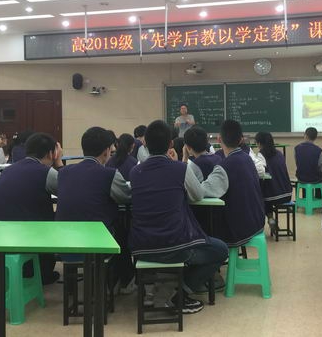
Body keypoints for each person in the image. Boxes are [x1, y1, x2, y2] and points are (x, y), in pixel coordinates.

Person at [128, 120, 228, 314]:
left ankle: (157, 290)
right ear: (171, 144)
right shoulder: (180, 169)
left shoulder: (135, 172)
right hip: (175, 246)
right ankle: (180, 293)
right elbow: (197, 195)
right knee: (220, 250)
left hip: (142, 246)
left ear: (145, 144)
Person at [57, 127, 135, 289]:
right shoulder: (109, 174)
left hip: (65, 242)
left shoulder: (64, 172)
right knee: (123, 230)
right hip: (98, 243)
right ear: (106, 151)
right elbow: (126, 197)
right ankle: (124, 281)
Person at [0, 132, 63, 284]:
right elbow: (67, 192)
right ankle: (41, 273)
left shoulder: (9, 170)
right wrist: (59, 163)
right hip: (21, 240)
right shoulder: (46, 172)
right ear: (51, 153)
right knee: (53, 220)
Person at [202, 120, 266, 247]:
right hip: (257, 222)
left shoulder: (224, 166)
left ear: (219, 139)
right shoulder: (247, 158)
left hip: (239, 231)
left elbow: (200, 191)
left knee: (201, 223)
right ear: (241, 140)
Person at [254, 131, 292, 233]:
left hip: (273, 196)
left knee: (261, 196)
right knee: (267, 190)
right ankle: (271, 219)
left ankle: (270, 218)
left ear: (259, 143)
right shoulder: (279, 154)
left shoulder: (261, 155)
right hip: (287, 193)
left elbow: (259, 172)